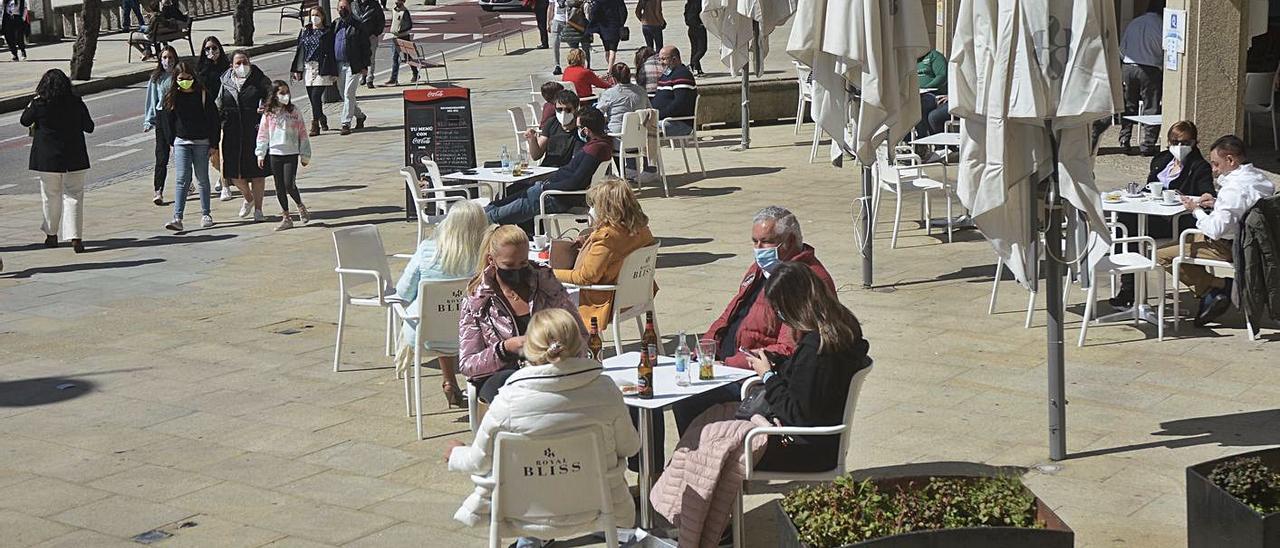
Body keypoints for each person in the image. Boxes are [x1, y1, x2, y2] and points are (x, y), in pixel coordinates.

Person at [445, 307, 639, 548]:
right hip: (597, 504)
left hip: (525, 513)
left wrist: (455, 453)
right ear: (580, 343)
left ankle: (530, 542)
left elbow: (479, 461)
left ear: (529, 349)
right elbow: (631, 447)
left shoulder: (507, 400)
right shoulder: (606, 390)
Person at [672, 206, 835, 434]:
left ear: (788, 241)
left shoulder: (803, 281)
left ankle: (693, 463)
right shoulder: (761, 268)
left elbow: (788, 348)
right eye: (754, 241)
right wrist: (705, 348)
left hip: (752, 375)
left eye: (765, 242)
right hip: (725, 362)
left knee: (688, 399)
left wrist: (729, 365)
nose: (758, 250)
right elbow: (729, 314)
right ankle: (657, 467)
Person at [457, 225, 586, 404]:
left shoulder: (547, 286)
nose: (517, 270)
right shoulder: (478, 300)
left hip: (550, 371)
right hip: (502, 379)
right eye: (509, 265)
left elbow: (581, 335)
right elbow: (467, 364)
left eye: (523, 263)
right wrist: (504, 349)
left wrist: (557, 352)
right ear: (491, 260)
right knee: (513, 387)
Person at [1156, 135, 1276, 327]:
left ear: (1230, 160)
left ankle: (1219, 286)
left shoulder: (1233, 190)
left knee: (1160, 254)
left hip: (1230, 245)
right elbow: (1241, 207)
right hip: (1256, 242)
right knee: (1179, 243)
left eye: (1216, 164)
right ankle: (1212, 291)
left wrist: (1195, 210)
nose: (1213, 169)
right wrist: (1216, 203)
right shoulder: (1260, 179)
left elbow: (1216, 230)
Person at [1109, 121, 1217, 308]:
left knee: (1131, 229)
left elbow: (1206, 193)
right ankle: (1129, 284)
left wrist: (1202, 197)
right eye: (1175, 142)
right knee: (1126, 223)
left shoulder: (1199, 166)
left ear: (1194, 143)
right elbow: (1150, 186)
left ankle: (1129, 289)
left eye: (1186, 143)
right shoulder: (1161, 160)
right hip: (1156, 213)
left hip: (1179, 218)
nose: (1180, 147)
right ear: (1168, 142)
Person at [395, 201, 490, 408]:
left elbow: (402, 293)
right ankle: (480, 386)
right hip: (477, 336)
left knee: (438, 312)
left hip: (426, 334)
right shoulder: (487, 256)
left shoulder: (427, 250)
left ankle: (449, 380)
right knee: (457, 316)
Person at [553, 176, 655, 329]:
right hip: (637, 295)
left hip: (606, 299)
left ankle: (566, 344)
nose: (591, 209)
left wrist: (550, 273)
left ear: (605, 207)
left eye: (594, 204)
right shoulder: (641, 229)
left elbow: (585, 277)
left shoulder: (606, 237)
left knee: (548, 295)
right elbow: (618, 250)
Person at [485, 107, 614, 228]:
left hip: (551, 197)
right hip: (548, 193)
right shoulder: (602, 144)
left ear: (586, 131)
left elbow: (576, 182)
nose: (577, 130)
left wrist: (545, 187)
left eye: (579, 127)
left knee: (492, 216)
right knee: (493, 206)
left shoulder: (595, 149)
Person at [21, 69, 94, 253]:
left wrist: (33, 102)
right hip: (75, 156)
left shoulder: (39, 104)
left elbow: (24, 120)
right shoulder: (75, 102)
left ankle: (51, 235)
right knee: (74, 196)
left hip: (48, 159)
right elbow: (89, 126)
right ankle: (75, 237)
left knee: (50, 196)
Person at [1094, 1, 1165, 155]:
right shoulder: (1160, 25)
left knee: (1129, 105)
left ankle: (1124, 139)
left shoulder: (1134, 23)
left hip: (1128, 66)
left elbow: (1122, 48)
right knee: (1150, 106)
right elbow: (1163, 49)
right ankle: (1148, 144)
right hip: (1149, 68)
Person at [163, 61, 220, 232]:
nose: (185, 81)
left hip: (201, 142)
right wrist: (171, 142)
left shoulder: (202, 94)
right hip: (181, 141)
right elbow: (168, 121)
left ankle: (206, 213)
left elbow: (213, 119)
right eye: (181, 78)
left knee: (202, 178)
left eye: (188, 78)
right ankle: (177, 217)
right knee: (182, 180)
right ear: (176, 79)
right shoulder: (172, 96)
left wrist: (214, 143)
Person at [216, 49, 273, 222]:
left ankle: (258, 209)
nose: (242, 66)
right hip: (232, 131)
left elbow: (272, 95)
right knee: (233, 173)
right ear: (231, 66)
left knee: (257, 173)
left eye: (244, 62)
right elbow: (218, 103)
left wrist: (266, 106)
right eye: (238, 63)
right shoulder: (225, 81)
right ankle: (248, 197)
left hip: (255, 130)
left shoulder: (260, 79)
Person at [256, 80, 313, 231]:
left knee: (289, 184)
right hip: (275, 153)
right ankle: (286, 217)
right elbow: (263, 134)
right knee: (279, 186)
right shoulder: (269, 113)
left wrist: (305, 154)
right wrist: (260, 154)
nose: (285, 95)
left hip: (291, 153)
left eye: (287, 92)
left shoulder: (294, 111)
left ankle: (300, 206)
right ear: (274, 95)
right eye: (281, 93)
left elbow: (302, 133)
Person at [196, 36, 234, 201]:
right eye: (208, 49)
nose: (211, 52)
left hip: (225, 114)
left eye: (214, 48)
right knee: (213, 156)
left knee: (224, 150)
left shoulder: (227, 69)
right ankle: (223, 175)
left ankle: (225, 186)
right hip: (208, 117)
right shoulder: (201, 71)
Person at [291, 7, 337, 136]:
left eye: (317, 15)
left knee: (316, 96)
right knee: (313, 99)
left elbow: (332, 53)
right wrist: (297, 69)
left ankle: (315, 123)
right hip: (308, 68)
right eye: (312, 15)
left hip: (322, 68)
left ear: (323, 17)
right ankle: (322, 117)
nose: (314, 17)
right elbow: (300, 50)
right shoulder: (306, 31)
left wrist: (334, 71)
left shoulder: (327, 32)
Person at [142, 46, 178, 206]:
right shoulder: (156, 78)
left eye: (170, 58)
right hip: (162, 117)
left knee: (181, 153)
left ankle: (187, 181)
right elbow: (152, 100)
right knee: (161, 156)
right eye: (164, 58)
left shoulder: (181, 75)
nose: (167, 61)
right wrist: (149, 120)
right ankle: (158, 190)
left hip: (178, 117)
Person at [332, 0, 372, 135]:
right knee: (345, 95)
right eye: (340, 7)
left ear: (350, 8)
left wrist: (365, 65)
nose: (343, 9)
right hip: (338, 65)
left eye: (345, 7)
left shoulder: (358, 25)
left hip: (353, 65)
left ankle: (345, 123)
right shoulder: (336, 24)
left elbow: (365, 46)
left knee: (349, 93)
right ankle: (360, 116)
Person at [524, 89, 583, 168]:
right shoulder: (552, 122)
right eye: (559, 109)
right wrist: (532, 140)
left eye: (568, 110)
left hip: (564, 172)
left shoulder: (580, 129)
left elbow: (577, 162)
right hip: (546, 169)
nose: (563, 113)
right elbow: (536, 156)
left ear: (575, 109)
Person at [652, 46, 697, 136]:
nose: (661, 62)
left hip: (679, 123)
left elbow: (679, 104)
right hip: (665, 120)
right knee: (636, 125)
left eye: (664, 59)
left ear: (674, 59)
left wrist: (658, 115)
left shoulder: (682, 74)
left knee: (643, 129)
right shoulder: (666, 75)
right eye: (659, 59)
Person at [596, 62, 649, 135]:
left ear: (613, 79)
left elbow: (597, 114)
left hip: (617, 134)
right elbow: (649, 110)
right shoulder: (641, 91)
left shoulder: (609, 93)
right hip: (639, 133)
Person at [915, 49, 950, 139]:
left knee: (922, 105)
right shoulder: (908, 59)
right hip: (914, 95)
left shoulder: (934, 56)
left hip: (933, 93)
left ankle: (923, 138)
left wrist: (925, 87)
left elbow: (942, 76)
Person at [352, 0, 385, 89]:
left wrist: (376, 32)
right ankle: (363, 75)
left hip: (371, 36)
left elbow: (381, 20)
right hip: (358, 36)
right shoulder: (354, 5)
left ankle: (369, 79)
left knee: (371, 58)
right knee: (359, 57)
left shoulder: (374, 5)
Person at [386, 0, 417, 85]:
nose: (396, 2)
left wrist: (401, 30)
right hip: (395, 37)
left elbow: (410, 25)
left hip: (403, 37)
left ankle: (395, 78)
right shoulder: (394, 10)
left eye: (398, 1)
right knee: (396, 58)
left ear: (403, 2)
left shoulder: (405, 11)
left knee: (406, 57)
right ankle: (394, 78)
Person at [587, 0, 625, 68]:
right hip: (615, 26)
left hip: (604, 27)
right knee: (613, 49)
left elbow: (594, 12)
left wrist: (597, 22)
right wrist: (621, 23)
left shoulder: (600, 1)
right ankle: (610, 69)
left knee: (607, 49)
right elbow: (624, 12)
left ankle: (609, 67)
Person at [557, 0, 593, 69]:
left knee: (573, 50)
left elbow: (565, 17)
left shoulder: (567, 4)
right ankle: (587, 66)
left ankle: (573, 66)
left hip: (570, 29)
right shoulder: (585, 4)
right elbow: (588, 18)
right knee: (586, 49)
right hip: (583, 29)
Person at [683, 0, 706, 76]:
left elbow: (686, 17)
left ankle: (697, 69)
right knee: (702, 49)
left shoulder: (688, 4)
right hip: (699, 28)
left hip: (691, 29)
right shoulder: (700, 3)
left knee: (695, 50)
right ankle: (692, 64)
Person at [549, 0, 569, 74]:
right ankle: (557, 65)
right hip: (557, 20)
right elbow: (551, 7)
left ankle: (577, 63)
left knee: (573, 44)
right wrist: (549, 21)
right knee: (555, 44)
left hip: (571, 20)